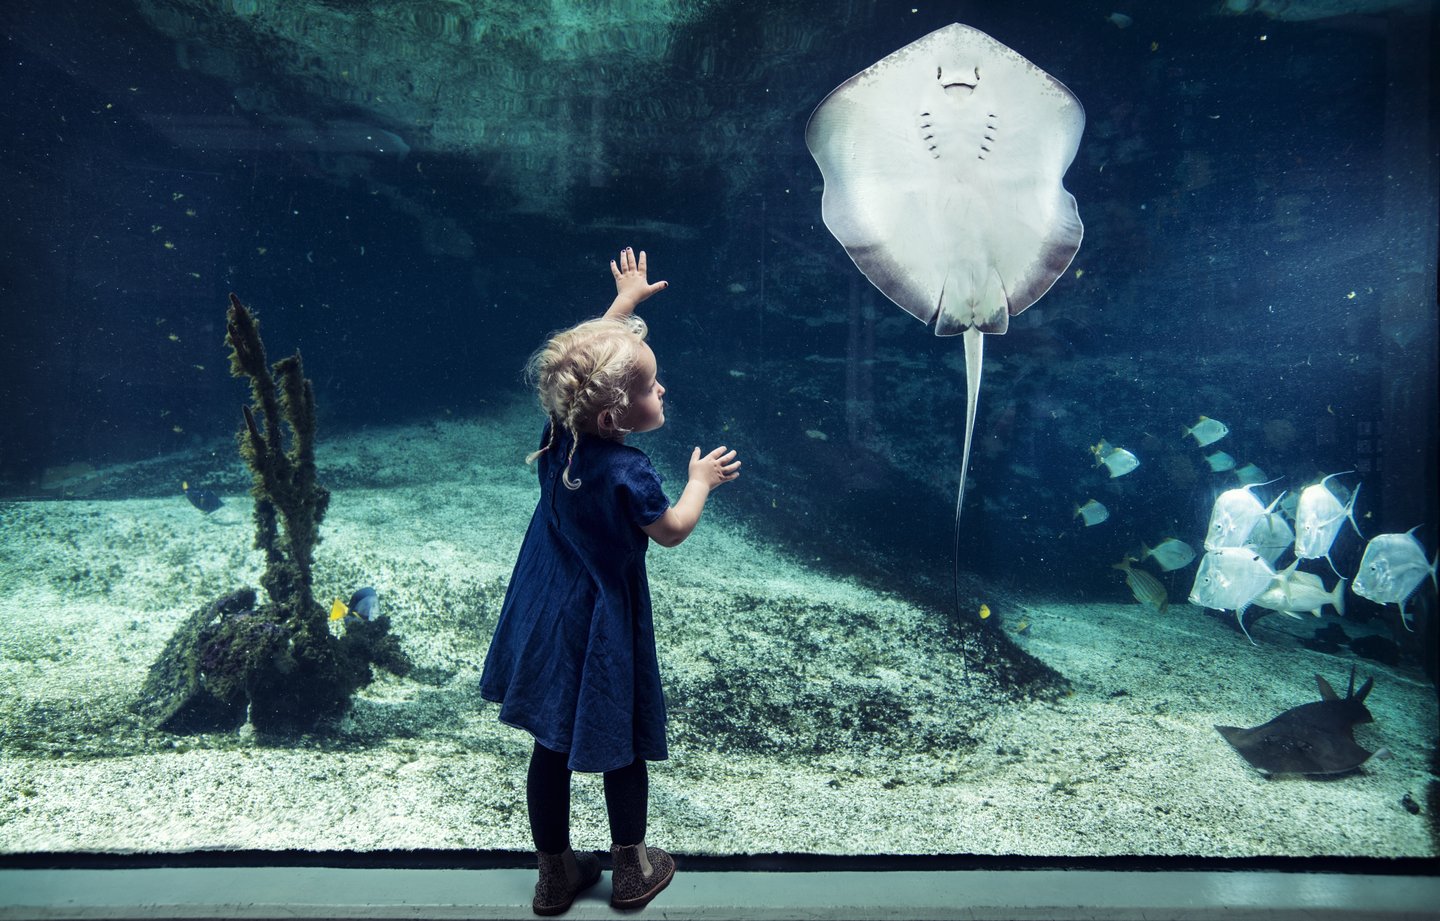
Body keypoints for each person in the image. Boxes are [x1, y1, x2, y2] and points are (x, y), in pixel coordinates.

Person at [480, 247, 741, 915]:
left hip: (551, 611)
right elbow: (673, 529)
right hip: (604, 621)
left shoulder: (560, 433)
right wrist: (700, 483)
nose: (662, 389)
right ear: (614, 416)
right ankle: (631, 870)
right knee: (621, 742)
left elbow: (578, 372)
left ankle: (553, 874)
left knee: (551, 743)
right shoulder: (630, 473)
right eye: (651, 387)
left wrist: (622, 308)